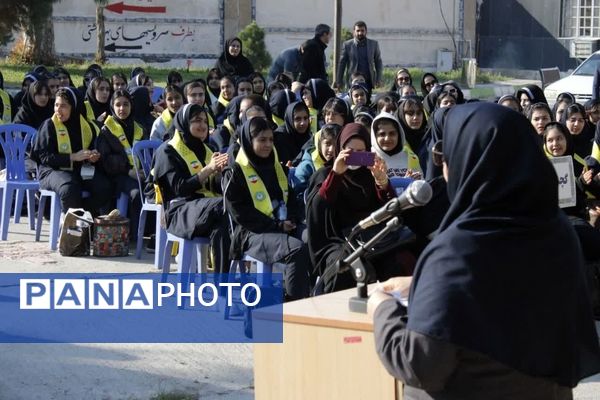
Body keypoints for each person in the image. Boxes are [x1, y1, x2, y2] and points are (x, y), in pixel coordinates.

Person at [368, 102, 600, 399]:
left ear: (468, 162)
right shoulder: (556, 233)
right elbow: (503, 285)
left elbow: (422, 363)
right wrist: (425, 284)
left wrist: (383, 310)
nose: (443, 166)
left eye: (447, 156)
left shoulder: (459, 248)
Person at [306, 123, 414, 293]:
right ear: (340, 149)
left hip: (374, 238)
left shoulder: (370, 174)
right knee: (345, 267)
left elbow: (390, 210)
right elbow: (317, 212)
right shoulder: (324, 174)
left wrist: (382, 181)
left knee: (402, 261)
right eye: (350, 152)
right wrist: (336, 175)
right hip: (338, 240)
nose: (355, 157)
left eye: (360, 152)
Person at [224, 116, 311, 300]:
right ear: (249, 140)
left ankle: (311, 297)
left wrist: (293, 218)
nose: (268, 145)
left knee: (314, 238)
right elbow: (241, 213)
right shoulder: (235, 171)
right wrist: (277, 226)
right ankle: (293, 306)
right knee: (297, 249)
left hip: (283, 225)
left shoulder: (275, 166)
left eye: (271, 140)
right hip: (251, 234)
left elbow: (291, 199)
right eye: (262, 140)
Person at [150, 104, 230, 275]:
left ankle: (222, 287)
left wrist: (220, 174)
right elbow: (180, 188)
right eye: (196, 121)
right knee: (222, 206)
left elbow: (213, 187)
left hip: (206, 210)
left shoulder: (207, 149)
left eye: (204, 121)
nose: (202, 125)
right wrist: (208, 169)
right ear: (184, 123)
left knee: (222, 228)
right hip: (179, 212)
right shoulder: (167, 151)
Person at [32, 87, 112, 215]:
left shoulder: (86, 127)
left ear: (74, 107)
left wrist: (92, 156)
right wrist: (72, 157)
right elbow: (44, 157)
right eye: (56, 105)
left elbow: (90, 150)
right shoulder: (49, 125)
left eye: (63, 106)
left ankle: (85, 216)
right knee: (69, 188)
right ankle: (72, 230)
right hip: (51, 171)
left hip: (79, 169)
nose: (58, 109)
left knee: (103, 187)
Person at [96, 90, 147, 240]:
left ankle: (150, 231)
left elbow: (146, 154)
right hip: (116, 176)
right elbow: (105, 160)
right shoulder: (106, 130)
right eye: (118, 105)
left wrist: (144, 170)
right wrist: (127, 169)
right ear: (112, 106)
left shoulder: (140, 128)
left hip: (138, 174)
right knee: (137, 193)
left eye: (126, 104)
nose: (122, 109)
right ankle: (134, 235)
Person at [335, 21, 383, 92]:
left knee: (368, 100)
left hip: (368, 81)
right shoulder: (347, 45)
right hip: (353, 81)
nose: (360, 33)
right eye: (358, 31)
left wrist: (379, 79)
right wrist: (339, 81)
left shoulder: (373, 44)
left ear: (366, 31)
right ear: (354, 32)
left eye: (362, 31)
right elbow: (342, 64)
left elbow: (378, 62)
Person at [371, 112, 421, 179]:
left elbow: (422, 185)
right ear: (375, 136)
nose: (387, 139)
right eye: (382, 134)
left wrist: (414, 182)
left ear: (399, 135)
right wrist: (404, 182)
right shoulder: (370, 159)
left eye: (392, 134)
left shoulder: (410, 156)